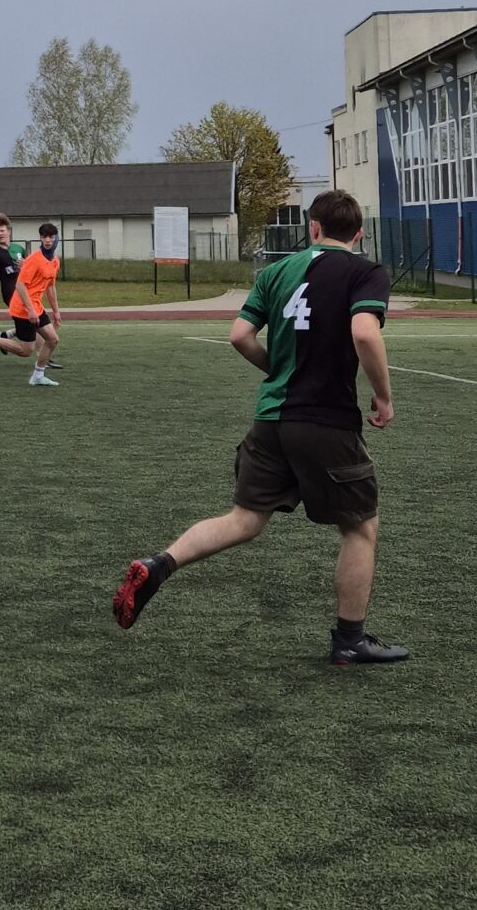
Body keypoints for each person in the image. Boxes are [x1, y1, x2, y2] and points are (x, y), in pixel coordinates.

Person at [114, 188, 405, 665]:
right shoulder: (365, 271)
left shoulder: (274, 272)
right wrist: (384, 397)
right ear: (357, 235)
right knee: (359, 527)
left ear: (313, 227)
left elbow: (239, 336)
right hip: (325, 419)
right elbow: (363, 331)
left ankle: (159, 563)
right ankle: (350, 640)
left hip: (270, 419)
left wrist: (280, 369)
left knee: (244, 520)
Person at [0, 217, 61, 386]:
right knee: (26, 349)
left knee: (52, 338)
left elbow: (48, 285)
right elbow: (18, 283)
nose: (48, 240)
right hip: (19, 302)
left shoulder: (47, 258)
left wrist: (56, 311)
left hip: (34, 302)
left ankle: (38, 372)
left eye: (51, 237)